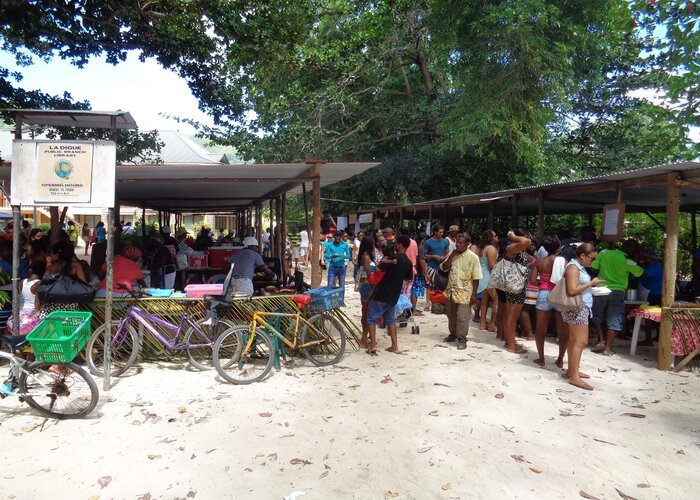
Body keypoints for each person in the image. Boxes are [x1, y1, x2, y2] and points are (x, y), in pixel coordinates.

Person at [591, 239, 644, 356]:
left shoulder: (604, 253)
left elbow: (594, 269)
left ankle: (601, 340)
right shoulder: (628, 261)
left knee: (597, 314)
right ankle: (607, 349)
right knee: (614, 319)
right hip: (617, 292)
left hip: (601, 290)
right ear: (632, 250)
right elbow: (639, 273)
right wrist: (637, 259)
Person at [563, 243, 604, 390]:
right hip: (577, 308)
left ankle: (572, 371)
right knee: (580, 342)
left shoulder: (577, 267)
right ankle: (574, 376)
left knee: (574, 340)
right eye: (591, 259)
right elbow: (572, 290)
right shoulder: (573, 268)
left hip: (580, 307)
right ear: (582, 256)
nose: (592, 262)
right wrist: (591, 284)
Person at [366, 236, 413, 355]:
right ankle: (394, 346)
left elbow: (378, 270)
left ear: (401, 245)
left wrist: (382, 261)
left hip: (382, 293)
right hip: (394, 295)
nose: (394, 245)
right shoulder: (408, 262)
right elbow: (408, 278)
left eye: (396, 243)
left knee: (371, 318)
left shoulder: (393, 258)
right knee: (391, 320)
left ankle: (373, 346)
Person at [531, 235, 568, 367]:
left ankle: (541, 358)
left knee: (540, 329)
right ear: (558, 247)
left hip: (544, 294)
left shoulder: (539, 262)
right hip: (559, 295)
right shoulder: (562, 261)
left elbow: (533, 281)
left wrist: (545, 281)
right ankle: (560, 359)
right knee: (563, 331)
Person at [441, 234, 483, 350]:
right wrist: (451, 256)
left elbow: (476, 278)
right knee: (451, 314)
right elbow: (444, 267)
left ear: (467, 244)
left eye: (461, 243)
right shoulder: (452, 254)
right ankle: (453, 333)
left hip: (465, 292)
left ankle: (462, 338)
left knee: (462, 316)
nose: (458, 245)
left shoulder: (473, 257)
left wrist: (474, 294)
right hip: (451, 290)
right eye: (457, 242)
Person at [502, 229, 532, 354]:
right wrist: (513, 237)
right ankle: (511, 345)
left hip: (515, 286)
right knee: (512, 316)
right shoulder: (511, 248)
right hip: (515, 287)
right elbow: (527, 241)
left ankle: (510, 341)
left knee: (511, 315)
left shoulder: (515, 250)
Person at [40, 242, 87, 318]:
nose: (50, 255)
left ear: (57, 255)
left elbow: (43, 283)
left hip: (49, 308)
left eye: (52, 253)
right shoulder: (76, 266)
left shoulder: (50, 268)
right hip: (70, 307)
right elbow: (83, 284)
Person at [7, 260, 45, 335]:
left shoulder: (21, 282)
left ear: (30, 270)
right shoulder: (39, 284)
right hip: (30, 316)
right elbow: (37, 303)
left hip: (18, 315)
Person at [356, 236, 377, 349]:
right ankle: (364, 339)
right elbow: (369, 275)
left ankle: (365, 337)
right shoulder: (366, 257)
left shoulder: (364, 256)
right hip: (368, 286)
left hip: (365, 286)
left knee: (366, 313)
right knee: (369, 314)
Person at [477, 230, 499, 332]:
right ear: (491, 238)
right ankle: (492, 323)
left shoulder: (483, 248)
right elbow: (491, 265)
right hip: (489, 277)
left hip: (482, 277)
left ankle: (482, 323)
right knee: (496, 300)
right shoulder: (491, 249)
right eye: (495, 236)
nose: (497, 237)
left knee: (484, 302)